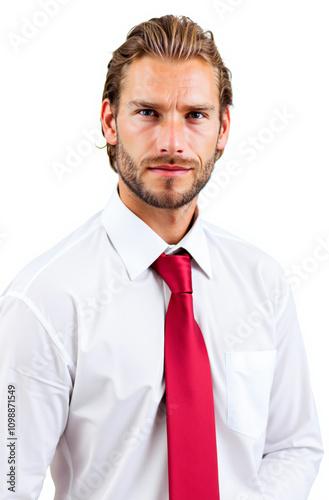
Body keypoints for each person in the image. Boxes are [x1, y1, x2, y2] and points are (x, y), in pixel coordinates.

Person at [0, 14, 323, 500]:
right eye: (148, 113)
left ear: (223, 127)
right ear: (110, 121)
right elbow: (10, 481)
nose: (172, 142)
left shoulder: (263, 283)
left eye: (194, 115)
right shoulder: (43, 301)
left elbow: (294, 446)